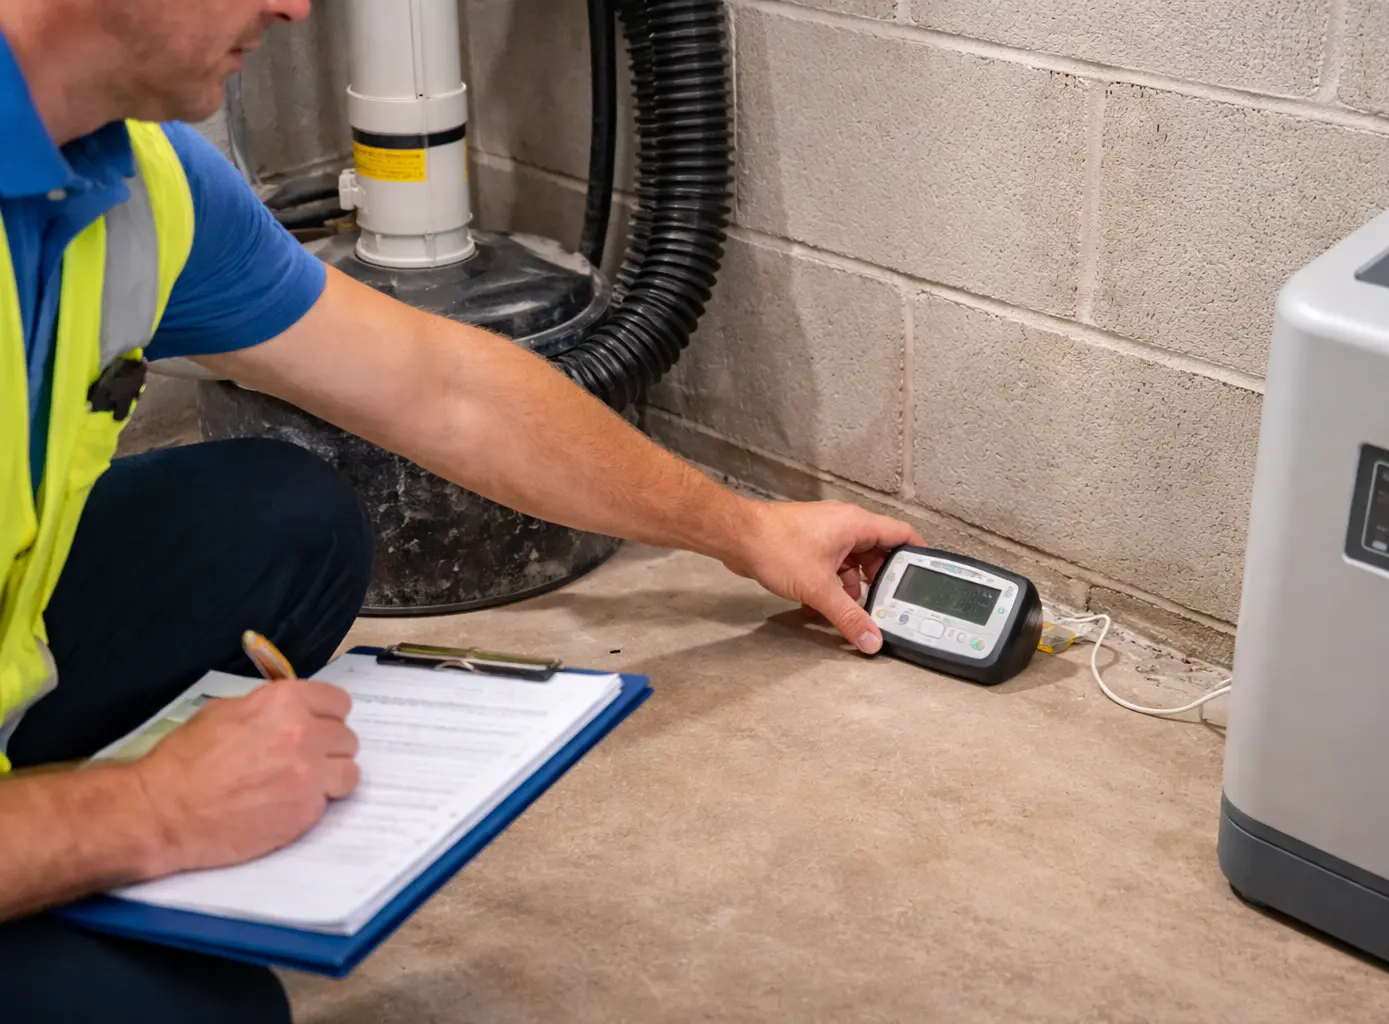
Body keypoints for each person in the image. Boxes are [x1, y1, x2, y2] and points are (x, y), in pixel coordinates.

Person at [0, 1, 923, 1019]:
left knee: (286, 522)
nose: (296, 7)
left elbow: (446, 389)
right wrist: (151, 810)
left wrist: (751, 531)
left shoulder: (135, 175)